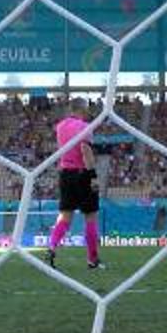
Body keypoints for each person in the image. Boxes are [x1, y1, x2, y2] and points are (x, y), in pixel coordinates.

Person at [47, 106, 101, 269]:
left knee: (65, 216)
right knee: (90, 216)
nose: (88, 114)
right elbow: (85, 150)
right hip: (82, 173)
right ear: (81, 110)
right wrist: (93, 176)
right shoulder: (84, 127)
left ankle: (52, 246)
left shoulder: (60, 126)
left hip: (65, 174)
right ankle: (92, 259)